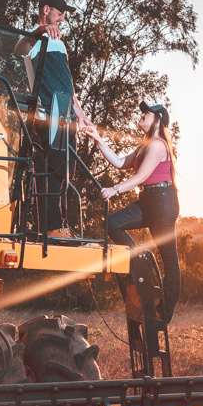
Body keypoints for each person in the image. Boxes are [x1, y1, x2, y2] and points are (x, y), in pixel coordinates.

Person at [85, 102, 181, 321]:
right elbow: (120, 163)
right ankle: (140, 259)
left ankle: (164, 313)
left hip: (162, 201)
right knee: (112, 223)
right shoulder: (143, 147)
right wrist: (98, 138)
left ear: (157, 119)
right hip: (148, 200)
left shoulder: (157, 145)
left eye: (147, 112)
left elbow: (141, 177)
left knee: (169, 260)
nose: (142, 114)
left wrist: (115, 189)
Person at [14, 0, 91, 242]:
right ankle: (51, 227)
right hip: (49, 113)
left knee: (66, 172)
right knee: (55, 169)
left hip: (67, 113)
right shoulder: (34, 38)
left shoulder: (60, 42)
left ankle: (60, 226)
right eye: (60, 13)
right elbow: (19, 48)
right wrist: (41, 30)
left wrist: (80, 113)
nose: (63, 18)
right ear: (46, 10)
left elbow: (67, 82)